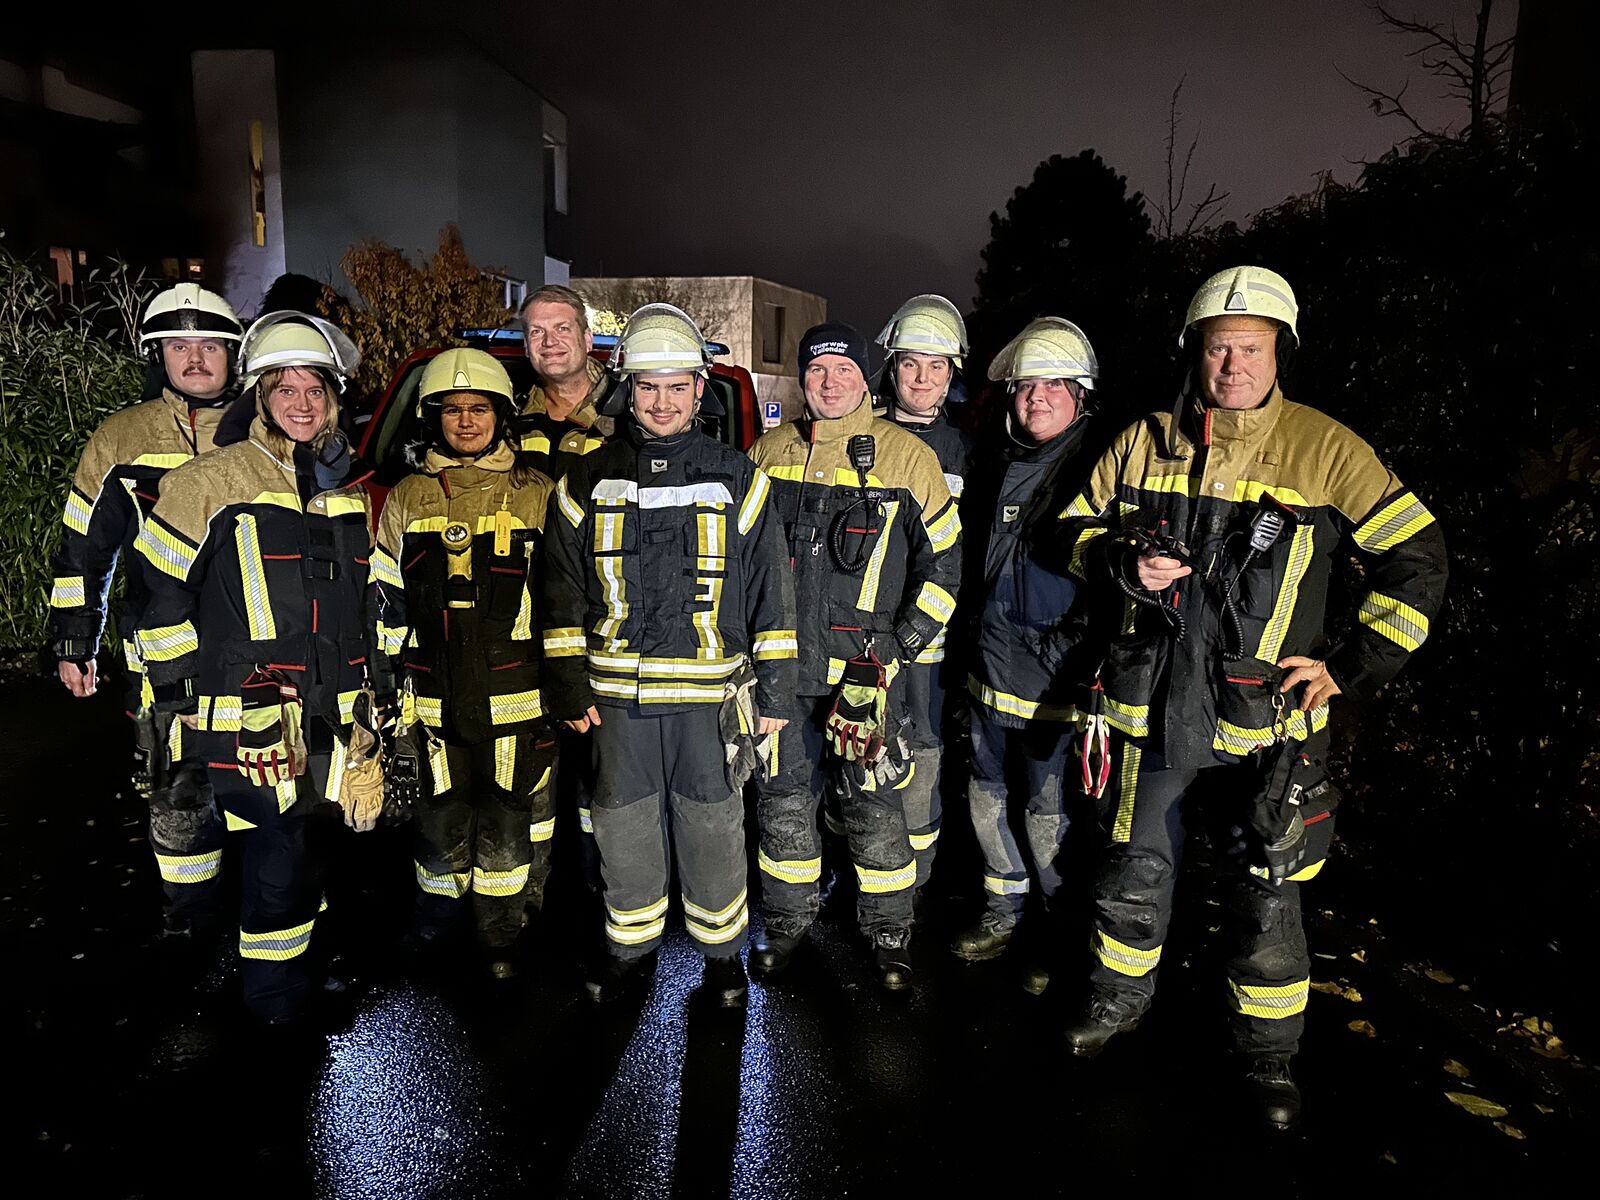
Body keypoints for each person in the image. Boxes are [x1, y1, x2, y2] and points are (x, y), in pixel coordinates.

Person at [1061, 266, 1448, 1128]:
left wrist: (1350, 664)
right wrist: (1121, 560)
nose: (1232, 364)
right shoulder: (1141, 441)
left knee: (1270, 886)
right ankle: (1117, 1004)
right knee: (1135, 867)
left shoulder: (1326, 449)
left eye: (1252, 347)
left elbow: (1418, 559)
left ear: (1283, 353)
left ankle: (1268, 1057)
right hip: (1152, 711)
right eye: (1217, 346)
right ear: (1194, 353)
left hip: (1268, 720)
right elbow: (1070, 534)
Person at [541, 304, 797, 1008]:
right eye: (648, 387)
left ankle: (721, 960)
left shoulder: (738, 475)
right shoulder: (586, 479)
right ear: (626, 389)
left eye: (676, 387)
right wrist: (566, 683)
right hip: (615, 698)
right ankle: (630, 950)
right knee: (622, 828)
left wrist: (774, 695)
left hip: (709, 700)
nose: (661, 402)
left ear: (698, 391)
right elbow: (559, 589)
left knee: (713, 827)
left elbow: (771, 588)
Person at [134, 311, 379, 1025]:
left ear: (332, 400)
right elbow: (158, 592)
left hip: (328, 713)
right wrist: (178, 695)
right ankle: (274, 1012)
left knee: (305, 853)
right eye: (285, 390)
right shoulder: (209, 480)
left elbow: (357, 605)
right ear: (259, 395)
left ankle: (287, 974)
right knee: (278, 858)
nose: (301, 405)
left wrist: (372, 700)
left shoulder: (344, 489)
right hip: (247, 718)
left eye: (314, 392)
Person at [747, 322, 961, 990]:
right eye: (818, 371)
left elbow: (944, 570)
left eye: (844, 371)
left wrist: (900, 651)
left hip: (865, 674)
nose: (830, 382)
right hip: (780, 674)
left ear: (865, 379)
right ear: (802, 379)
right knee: (782, 803)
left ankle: (891, 935)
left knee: (873, 805)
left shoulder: (907, 459)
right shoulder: (767, 451)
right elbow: (737, 565)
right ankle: (786, 925)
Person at [48, 284, 243, 939]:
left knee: (276, 783)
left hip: (262, 649)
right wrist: (75, 641)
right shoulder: (122, 437)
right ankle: (192, 918)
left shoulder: (270, 426)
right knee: (180, 789)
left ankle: (282, 911)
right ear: (156, 353)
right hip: (161, 656)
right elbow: (84, 547)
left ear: (232, 353)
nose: (194, 359)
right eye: (178, 345)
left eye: (208, 344)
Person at [369, 349, 557, 981]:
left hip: (516, 695)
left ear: (502, 416)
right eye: (453, 411)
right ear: (434, 420)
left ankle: (501, 931)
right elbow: (385, 594)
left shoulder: (536, 495)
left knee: (507, 809)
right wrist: (389, 682)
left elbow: (562, 599)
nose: (466, 423)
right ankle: (440, 924)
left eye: (479, 409)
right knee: (440, 809)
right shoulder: (409, 497)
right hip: (431, 695)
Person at [949, 318, 1105, 994]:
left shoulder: (1101, 468)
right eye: (1027, 386)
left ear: (1082, 395)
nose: (1037, 398)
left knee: (1051, 819)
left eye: (1054, 386)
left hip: (1056, 685)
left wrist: (1077, 653)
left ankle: (1057, 932)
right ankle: (1002, 911)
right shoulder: (998, 462)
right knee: (987, 803)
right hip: (990, 673)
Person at [870, 295, 974, 898]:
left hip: (933, 632)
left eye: (938, 367)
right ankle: (858, 867)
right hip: (868, 627)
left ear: (952, 375)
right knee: (863, 740)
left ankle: (917, 878)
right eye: (912, 364)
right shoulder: (866, 438)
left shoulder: (967, 450)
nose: (923, 379)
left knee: (925, 750)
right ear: (892, 368)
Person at [517, 283, 612, 479]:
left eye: (562, 329)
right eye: (537, 331)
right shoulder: (510, 415)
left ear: (587, 340)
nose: (549, 341)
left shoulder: (624, 408)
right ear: (526, 347)